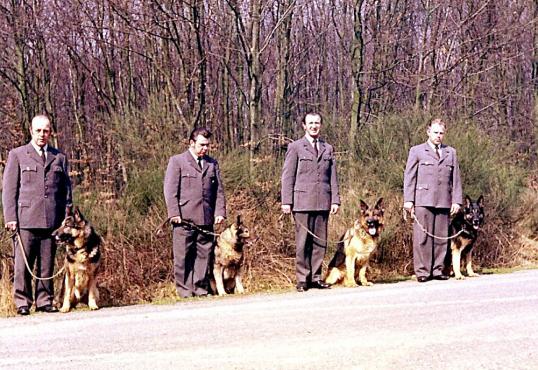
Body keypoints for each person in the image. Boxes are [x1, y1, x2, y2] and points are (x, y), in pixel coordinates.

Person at [2, 114, 72, 315]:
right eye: (38, 130)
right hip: (25, 220)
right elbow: (9, 190)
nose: (42, 134)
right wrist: (11, 218)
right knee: (23, 266)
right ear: (31, 131)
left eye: (46, 130)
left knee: (46, 264)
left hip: (52, 220)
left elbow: (66, 191)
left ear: (51, 132)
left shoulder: (59, 157)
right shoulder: (17, 154)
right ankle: (22, 302)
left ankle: (44, 300)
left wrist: (66, 218)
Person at [164, 127, 226, 298]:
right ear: (191, 143)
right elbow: (170, 190)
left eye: (207, 145)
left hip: (206, 218)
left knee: (203, 255)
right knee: (183, 257)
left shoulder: (212, 164)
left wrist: (220, 211)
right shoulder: (177, 161)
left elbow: (219, 190)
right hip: (183, 219)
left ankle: (200, 289)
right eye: (202, 145)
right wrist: (174, 213)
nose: (205, 148)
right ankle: (184, 292)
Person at [281, 113, 340, 292]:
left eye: (317, 123)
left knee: (320, 242)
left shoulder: (327, 148)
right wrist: (286, 201)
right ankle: (302, 279)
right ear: (304, 126)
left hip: (323, 200)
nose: (314, 126)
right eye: (311, 123)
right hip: (302, 202)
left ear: (321, 125)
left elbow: (333, 177)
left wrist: (335, 200)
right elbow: (288, 176)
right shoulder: (295, 147)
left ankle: (316, 277)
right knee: (302, 242)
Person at [403, 118, 462, 282]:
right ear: (428, 132)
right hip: (423, 200)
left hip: (444, 200)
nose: (438, 136)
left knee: (441, 238)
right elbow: (409, 176)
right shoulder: (417, 151)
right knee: (422, 238)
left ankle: (437, 270)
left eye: (441, 133)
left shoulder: (451, 152)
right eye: (435, 132)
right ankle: (422, 272)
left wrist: (457, 200)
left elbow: (456, 178)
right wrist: (408, 200)